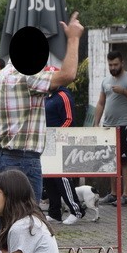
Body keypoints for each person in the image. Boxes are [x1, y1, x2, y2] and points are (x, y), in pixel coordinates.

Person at [0, 12, 84, 253]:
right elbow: (69, 74)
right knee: (28, 220)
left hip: (2, 157)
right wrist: (73, 39)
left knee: (1, 220)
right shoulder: (25, 77)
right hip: (24, 161)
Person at [92, 50, 127, 206]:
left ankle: (126, 195)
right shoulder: (106, 81)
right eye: (110, 65)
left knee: (124, 160)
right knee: (110, 161)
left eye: (115, 64)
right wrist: (96, 123)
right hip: (108, 126)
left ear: (122, 63)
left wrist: (124, 92)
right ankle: (113, 193)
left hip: (123, 125)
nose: (113, 67)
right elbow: (101, 103)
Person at [43, 86, 86, 225]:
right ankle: (54, 212)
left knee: (62, 177)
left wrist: (58, 135)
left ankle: (76, 209)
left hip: (59, 140)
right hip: (47, 139)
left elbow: (69, 119)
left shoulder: (63, 95)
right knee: (48, 176)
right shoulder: (47, 96)